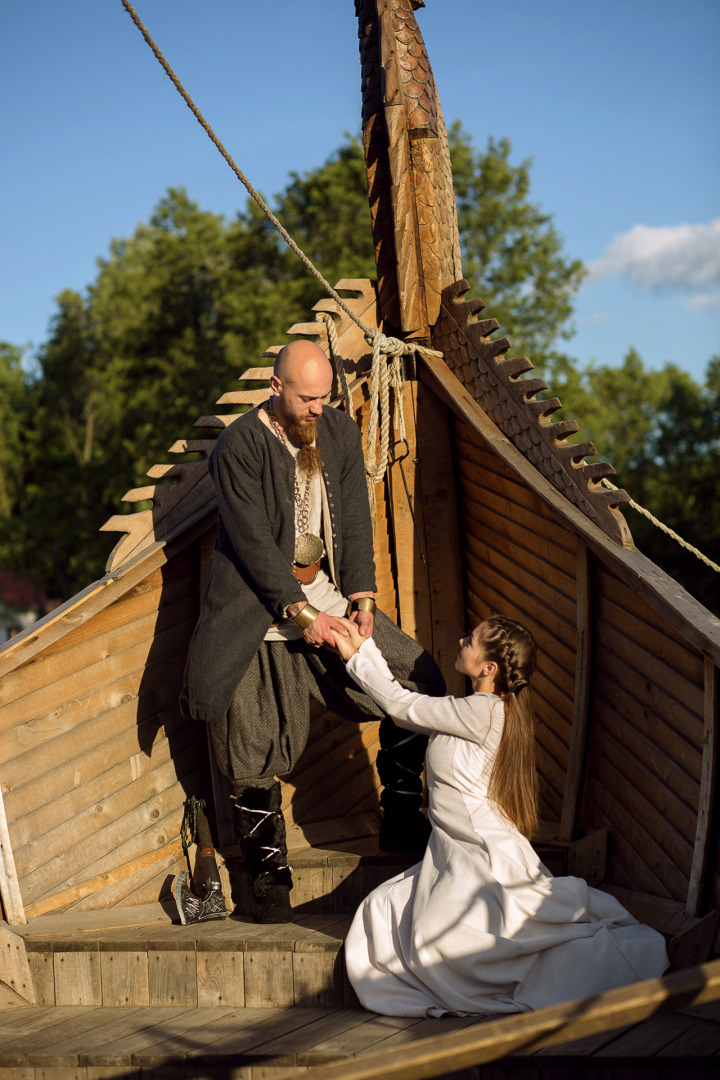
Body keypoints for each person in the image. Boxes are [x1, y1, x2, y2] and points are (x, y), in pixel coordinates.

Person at [182, 339, 445, 923]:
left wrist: (362, 596)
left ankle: (403, 814)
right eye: (306, 398)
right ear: (276, 388)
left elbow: (353, 513)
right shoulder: (240, 446)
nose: (317, 408)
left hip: (323, 588)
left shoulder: (336, 430)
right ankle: (267, 879)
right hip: (256, 604)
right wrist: (304, 618)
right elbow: (252, 545)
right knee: (250, 739)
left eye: (325, 396)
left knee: (416, 675)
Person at [331, 614, 669, 1017]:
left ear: (489, 668)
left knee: (442, 941)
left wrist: (358, 653)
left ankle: (596, 970)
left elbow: (401, 705)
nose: (461, 641)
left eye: (470, 641)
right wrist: (364, 649)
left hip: (479, 848)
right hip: (454, 847)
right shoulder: (477, 708)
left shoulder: (484, 711)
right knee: (381, 908)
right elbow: (408, 708)